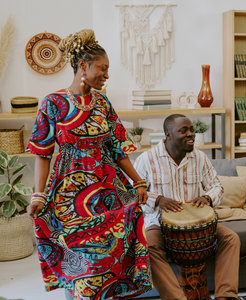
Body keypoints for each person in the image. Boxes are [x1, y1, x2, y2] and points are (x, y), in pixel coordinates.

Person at [26, 29, 152, 299]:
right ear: (83, 66)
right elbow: (42, 154)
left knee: (109, 256)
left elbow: (118, 147)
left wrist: (138, 181)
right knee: (80, 260)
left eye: (108, 70)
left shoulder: (103, 103)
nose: (106, 75)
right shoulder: (53, 103)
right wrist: (39, 194)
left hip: (107, 190)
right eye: (102, 69)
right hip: (68, 194)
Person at [133, 114, 240, 300]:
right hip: (159, 224)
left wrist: (207, 197)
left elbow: (217, 187)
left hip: (199, 225)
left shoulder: (200, 158)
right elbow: (132, 193)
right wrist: (158, 200)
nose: (191, 134)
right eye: (184, 131)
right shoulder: (146, 160)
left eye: (192, 130)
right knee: (149, 247)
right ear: (168, 135)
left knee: (230, 239)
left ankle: (226, 296)